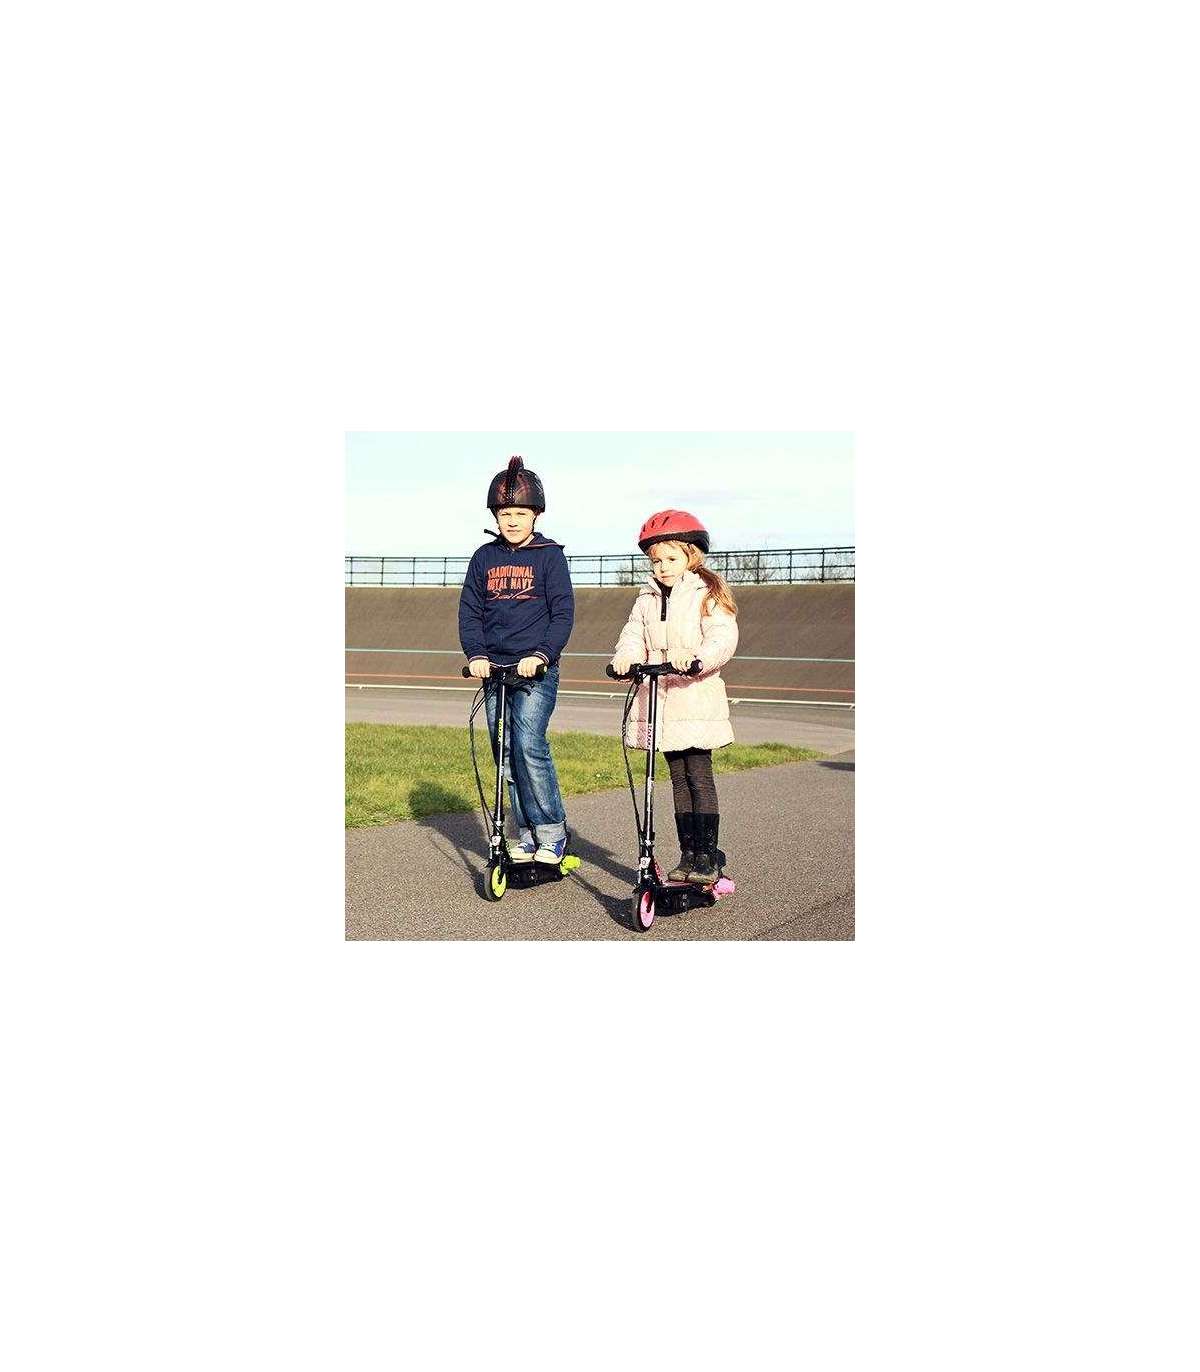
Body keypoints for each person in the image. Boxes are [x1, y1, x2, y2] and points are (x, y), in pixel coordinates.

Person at [610, 510, 739, 883]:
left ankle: (708, 856)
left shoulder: (706, 594)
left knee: (698, 775)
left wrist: (698, 659)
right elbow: (633, 634)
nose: (663, 567)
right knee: (678, 779)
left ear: (691, 556)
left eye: (671, 558)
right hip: (661, 701)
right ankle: (688, 855)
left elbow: (722, 637)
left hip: (694, 698)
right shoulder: (646, 598)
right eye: (656, 561)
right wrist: (625, 659)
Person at [458, 457, 575, 865]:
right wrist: (476, 655)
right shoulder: (484, 558)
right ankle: (525, 834)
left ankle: (552, 832)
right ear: (495, 515)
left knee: (528, 744)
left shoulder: (549, 556)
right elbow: (470, 612)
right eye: (505, 514)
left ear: (535, 515)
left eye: (520, 514)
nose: (512, 521)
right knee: (504, 751)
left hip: (536, 671)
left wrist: (542, 654)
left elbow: (562, 614)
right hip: (495, 670)